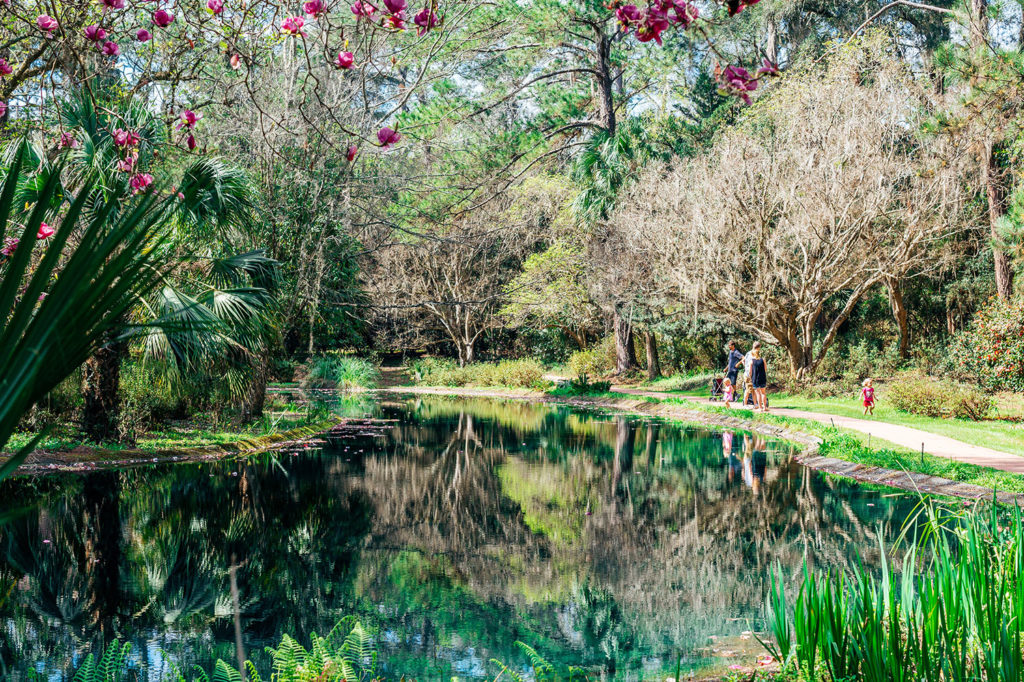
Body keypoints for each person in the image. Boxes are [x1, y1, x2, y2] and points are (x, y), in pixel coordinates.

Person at [742, 341, 760, 406]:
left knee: (753, 390)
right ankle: (745, 404)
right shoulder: (753, 354)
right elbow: (752, 365)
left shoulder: (748, 353)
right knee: (748, 390)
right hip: (749, 374)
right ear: (758, 348)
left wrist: (745, 367)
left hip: (748, 373)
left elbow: (743, 361)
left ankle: (755, 404)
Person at [750, 346, 768, 412]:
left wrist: (750, 377)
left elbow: (750, 372)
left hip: (755, 379)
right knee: (763, 393)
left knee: (758, 393)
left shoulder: (752, 361)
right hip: (762, 378)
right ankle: (765, 407)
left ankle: (760, 407)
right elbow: (765, 369)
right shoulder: (763, 360)